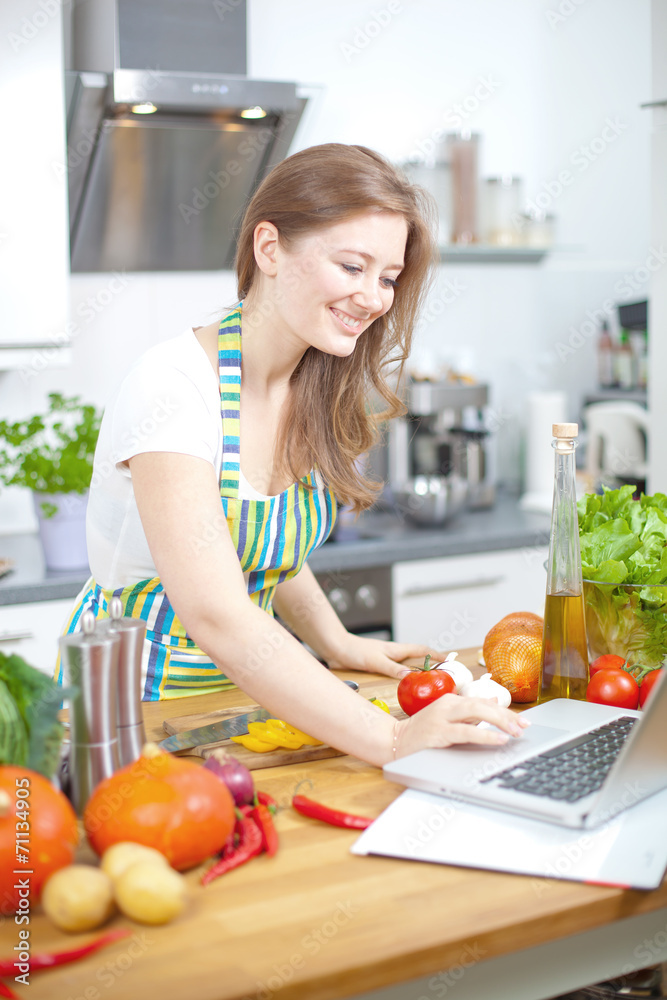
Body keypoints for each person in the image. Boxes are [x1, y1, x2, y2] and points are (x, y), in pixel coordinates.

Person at [58, 143, 527, 766]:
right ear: (270, 248)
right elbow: (218, 614)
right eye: (352, 267)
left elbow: (256, 542)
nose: (374, 298)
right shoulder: (173, 388)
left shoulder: (312, 383)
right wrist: (392, 739)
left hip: (239, 707)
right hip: (130, 717)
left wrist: (334, 640)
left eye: (387, 278)